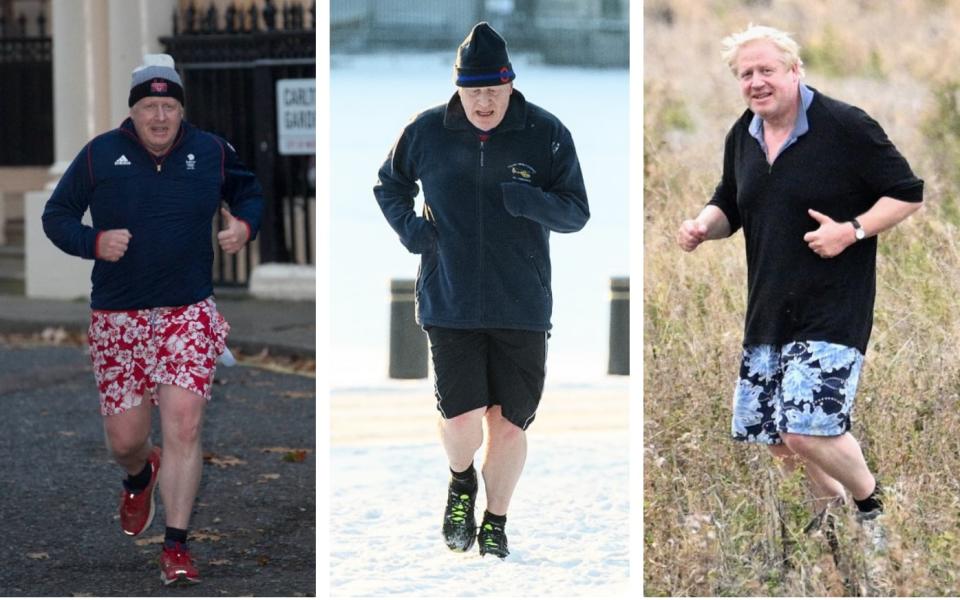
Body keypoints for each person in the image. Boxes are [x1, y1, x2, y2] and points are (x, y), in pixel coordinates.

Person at [677, 24, 923, 537]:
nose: (756, 82)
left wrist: (850, 231)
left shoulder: (845, 125)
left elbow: (906, 192)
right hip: (768, 308)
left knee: (806, 428)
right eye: (746, 74)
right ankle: (831, 523)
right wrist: (704, 225)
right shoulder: (742, 133)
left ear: (794, 70)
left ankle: (874, 507)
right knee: (773, 436)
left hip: (834, 305)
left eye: (767, 69)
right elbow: (729, 201)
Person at [42, 54, 263, 586]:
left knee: (184, 424)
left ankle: (176, 546)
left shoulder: (210, 150)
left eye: (168, 106)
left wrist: (244, 228)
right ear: (133, 112)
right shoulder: (100, 155)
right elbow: (56, 216)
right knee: (125, 440)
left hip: (188, 311)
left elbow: (249, 190)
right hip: (118, 316)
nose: (160, 117)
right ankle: (141, 474)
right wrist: (94, 241)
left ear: (180, 110)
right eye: (149, 106)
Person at [374, 22, 589, 559]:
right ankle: (460, 480)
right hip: (450, 298)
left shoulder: (546, 132)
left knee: (509, 426)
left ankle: (496, 520)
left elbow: (576, 212)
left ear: (510, 84)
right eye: (474, 91)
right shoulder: (425, 131)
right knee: (462, 421)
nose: (485, 101)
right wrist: (413, 232)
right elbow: (389, 184)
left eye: (494, 89)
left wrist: (530, 200)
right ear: (458, 89)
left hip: (522, 302)